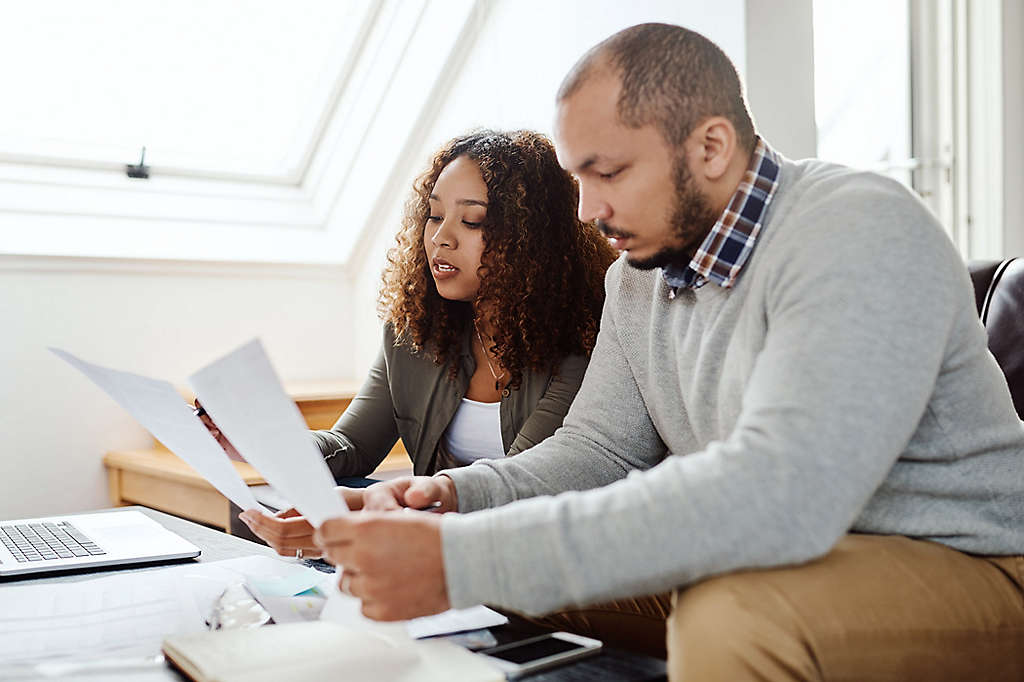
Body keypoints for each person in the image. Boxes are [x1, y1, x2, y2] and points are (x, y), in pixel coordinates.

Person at [311, 23, 1024, 681]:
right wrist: (456, 499)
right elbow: (598, 451)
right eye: (578, 177)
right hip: (778, 551)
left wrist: (460, 557)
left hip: (973, 561)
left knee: (738, 615)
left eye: (609, 173)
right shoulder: (635, 281)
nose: (587, 210)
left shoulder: (857, 228)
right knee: (509, 574)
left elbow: (782, 494)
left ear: (710, 147)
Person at [224, 129, 616, 558]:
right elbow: (352, 447)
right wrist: (260, 443)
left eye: (473, 221)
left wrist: (369, 504)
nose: (440, 238)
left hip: (527, 540)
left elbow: (518, 483)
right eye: (433, 216)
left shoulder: (583, 338)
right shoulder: (414, 328)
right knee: (270, 507)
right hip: (430, 525)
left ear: (534, 240)